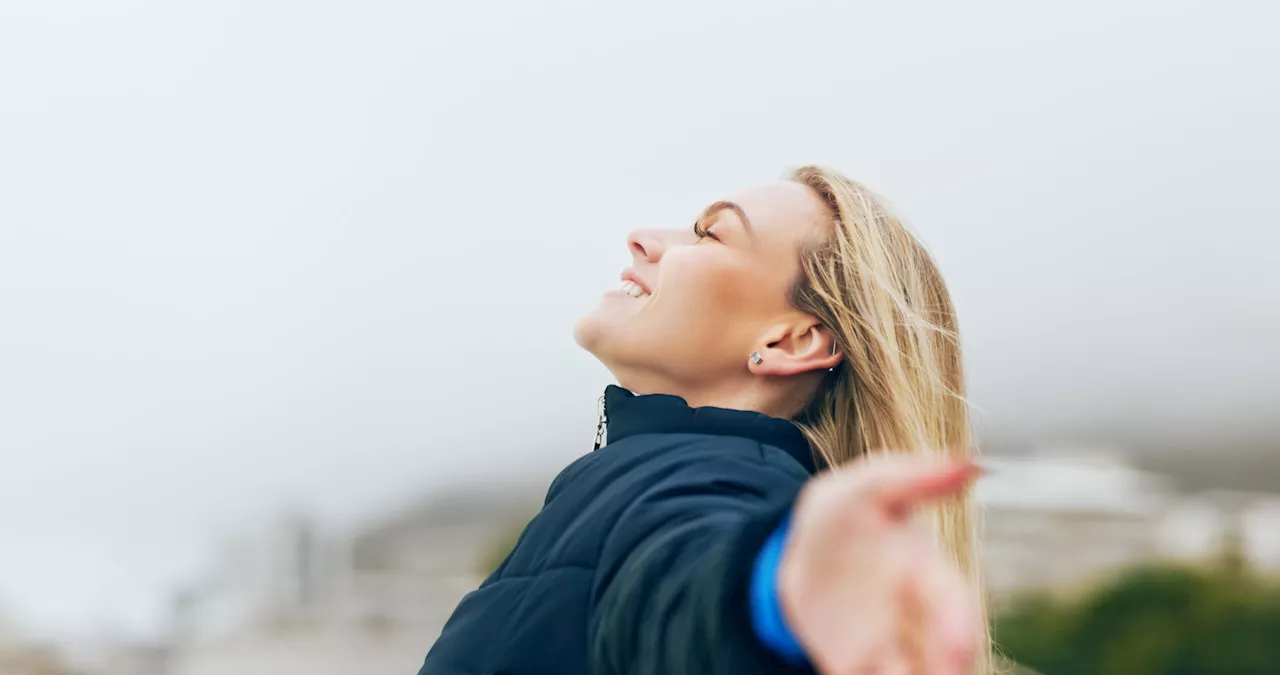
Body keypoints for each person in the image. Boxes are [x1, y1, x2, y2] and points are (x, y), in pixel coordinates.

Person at [417, 166, 988, 675]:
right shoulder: (637, 476)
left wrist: (772, 594)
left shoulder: (694, 481)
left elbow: (681, 585)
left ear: (790, 341)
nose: (642, 238)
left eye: (710, 233)